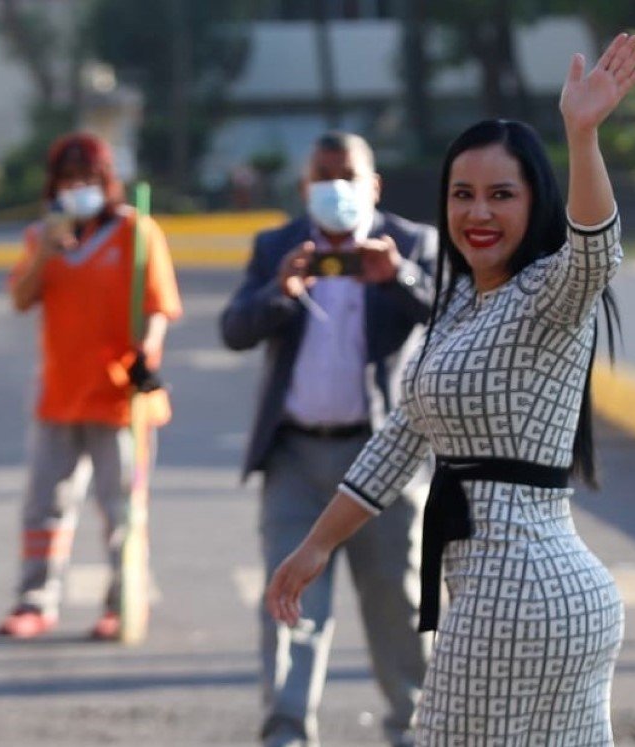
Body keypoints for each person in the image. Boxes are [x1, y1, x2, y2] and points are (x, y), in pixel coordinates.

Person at [266, 33, 635, 746]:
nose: (479, 213)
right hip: (535, 595)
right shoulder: (463, 304)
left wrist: (582, 135)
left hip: (515, 594)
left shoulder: (548, 293)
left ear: (536, 200)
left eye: (502, 195)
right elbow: (398, 442)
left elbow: (595, 251)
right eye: (462, 195)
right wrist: (316, 546)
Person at [220, 131, 436, 747]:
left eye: (348, 176)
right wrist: (278, 293)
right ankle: (286, 730)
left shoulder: (412, 243)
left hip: (385, 460)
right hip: (294, 458)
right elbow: (234, 329)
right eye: (323, 177)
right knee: (290, 597)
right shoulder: (278, 246)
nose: (335, 188)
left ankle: (413, 727)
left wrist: (397, 278)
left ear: (374, 186)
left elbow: (455, 316)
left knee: (396, 601)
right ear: (304, 187)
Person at [0, 132, 182, 641]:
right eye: (68, 179)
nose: (78, 187)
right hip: (59, 395)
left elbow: (158, 306)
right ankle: (36, 601)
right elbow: (21, 298)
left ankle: (122, 601)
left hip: (121, 396)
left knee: (121, 508)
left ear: (106, 181)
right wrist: (44, 253)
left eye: (88, 178)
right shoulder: (42, 236)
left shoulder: (136, 232)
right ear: (54, 185)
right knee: (44, 507)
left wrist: (147, 354)